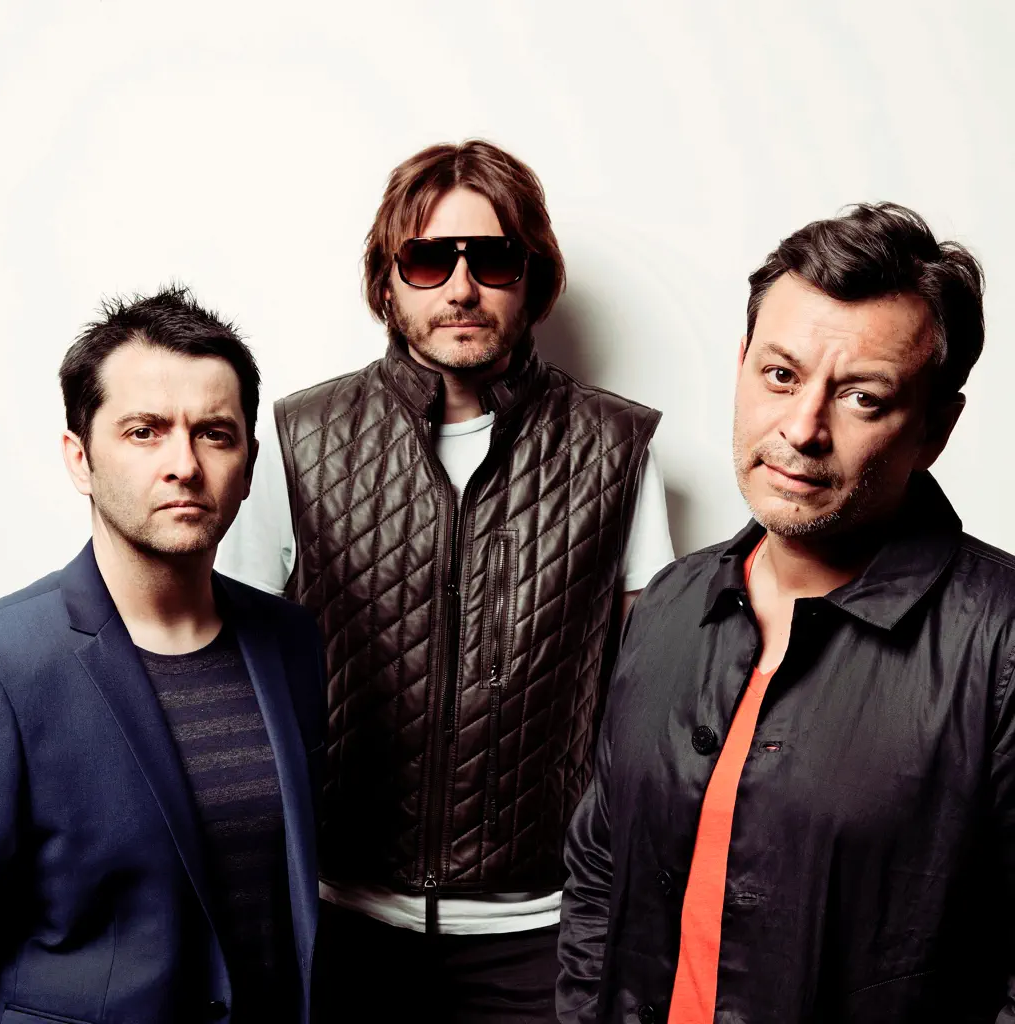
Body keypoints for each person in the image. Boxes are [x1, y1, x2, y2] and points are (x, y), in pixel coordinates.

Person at [216, 139, 674, 1021]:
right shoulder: (304, 442)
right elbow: (238, 679)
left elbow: (647, 693)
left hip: (543, 931)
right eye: (428, 259)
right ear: (387, 283)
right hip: (345, 920)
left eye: (492, 259)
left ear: (532, 279)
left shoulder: (616, 451)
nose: (461, 288)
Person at [556, 202, 1015, 1023]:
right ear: (741, 365)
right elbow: (601, 866)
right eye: (780, 375)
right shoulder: (669, 604)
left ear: (936, 428)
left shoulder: (1002, 639)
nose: (802, 429)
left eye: (863, 398)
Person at [0, 287, 326, 1024]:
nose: (185, 464)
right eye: (144, 431)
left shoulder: (292, 642)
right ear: (80, 459)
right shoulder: (5, 662)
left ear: (248, 464)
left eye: (215, 433)